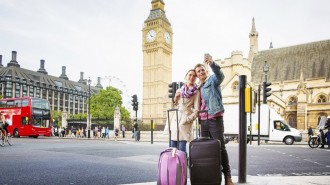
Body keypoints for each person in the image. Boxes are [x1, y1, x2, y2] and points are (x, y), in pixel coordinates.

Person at [194, 53, 234, 185]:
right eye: (198, 71)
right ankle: (209, 176)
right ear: (197, 75)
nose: (200, 72)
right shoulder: (198, 87)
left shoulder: (212, 80)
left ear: (206, 71)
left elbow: (220, 76)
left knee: (220, 147)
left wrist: (211, 63)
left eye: (202, 70)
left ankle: (228, 177)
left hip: (214, 118)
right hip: (203, 121)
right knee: (206, 149)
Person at [168, 69, 200, 154]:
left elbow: (197, 110)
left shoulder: (196, 92)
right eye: (190, 75)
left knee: (181, 150)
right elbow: (175, 106)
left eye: (194, 76)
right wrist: (175, 98)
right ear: (186, 76)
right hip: (176, 119)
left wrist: (188, 119)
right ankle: (173, 167)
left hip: (185, 120)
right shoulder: (179, 90)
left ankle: (183, 166)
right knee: (172, 148)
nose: (191, 77)